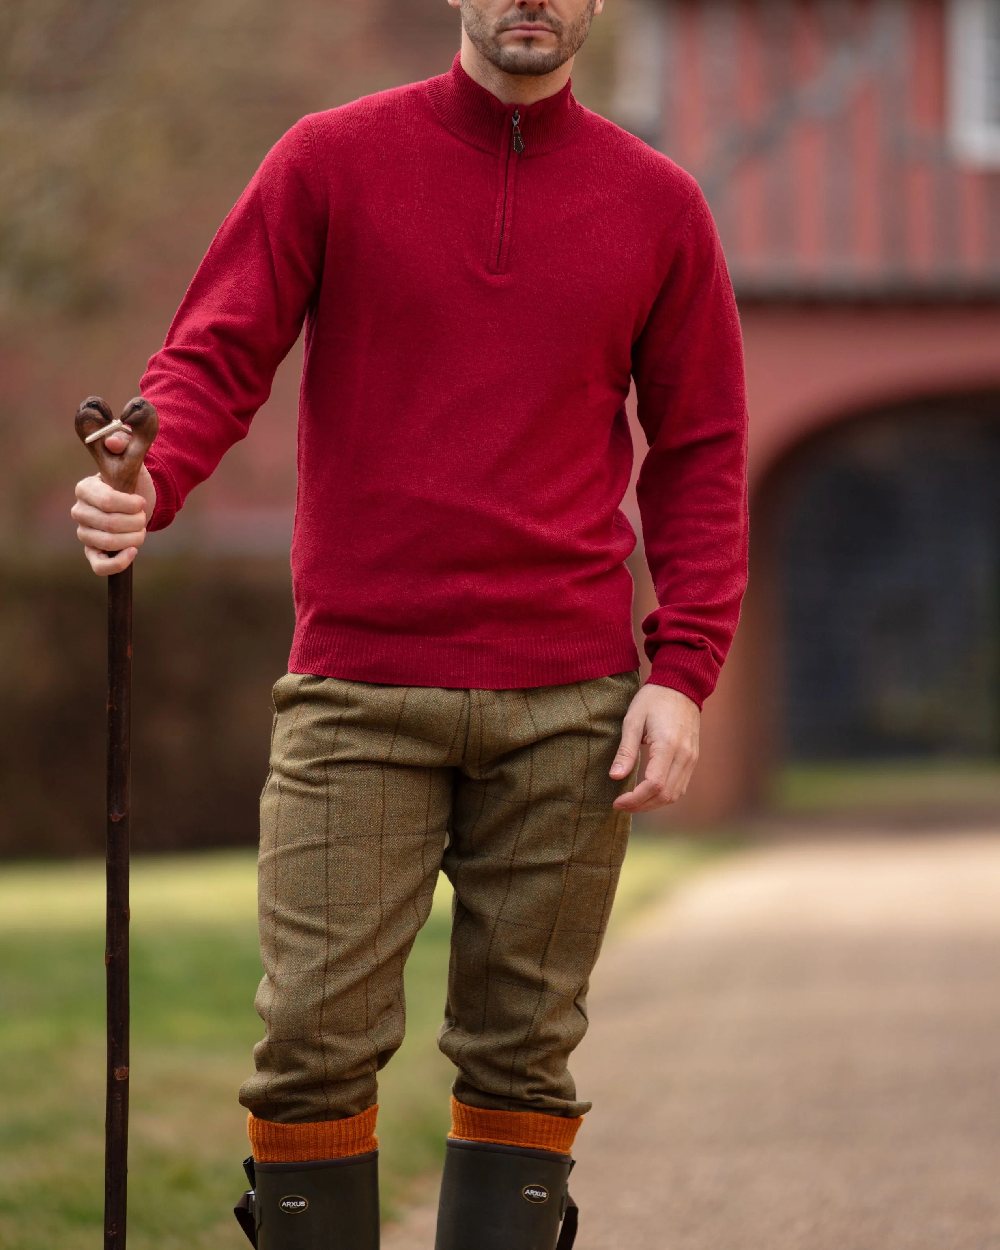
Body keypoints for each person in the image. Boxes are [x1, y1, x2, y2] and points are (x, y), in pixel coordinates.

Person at [70, 1, 750, 1246]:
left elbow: (699, 450)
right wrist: (147, 477)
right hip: (358, 688)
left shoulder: (659, 205)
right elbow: (216, 356)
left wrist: (684, 664)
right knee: (311, 1040)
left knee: (522, 1053)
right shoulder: (329, 159)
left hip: (573, 702)